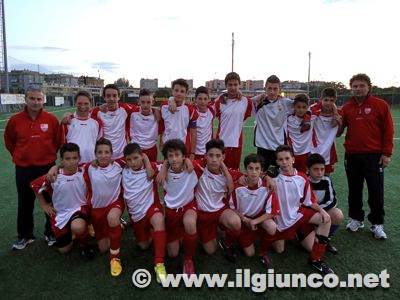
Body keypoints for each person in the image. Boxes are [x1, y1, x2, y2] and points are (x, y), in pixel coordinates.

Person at [261, 145, 334, 274]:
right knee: (279, 249)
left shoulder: (302, 178)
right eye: (280, 159)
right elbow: (255, 174)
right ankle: (291, 236)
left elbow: (310, 201)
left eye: (287, 158)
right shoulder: (273, 177)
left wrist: (322, 211)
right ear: (277, 161)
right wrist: (266, 177)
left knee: (325, 219)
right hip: (280, 222)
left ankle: (315, 260)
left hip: (298, 216)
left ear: (293, 160)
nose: (284, 162)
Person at [338, 73, 394, 239]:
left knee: (375, 190)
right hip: (353, 155)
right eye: (355, 86)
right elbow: (339, 131)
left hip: (374, 156)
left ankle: (377, 224)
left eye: (361, 85)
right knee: (354, 189)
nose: (358, 89)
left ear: (369, 86)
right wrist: (338, 122)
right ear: (351, 88)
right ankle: (356, 218)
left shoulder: (380, 105)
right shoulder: (347, 107)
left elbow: (388, 131)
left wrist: (386, 153)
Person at [4, 85, 60, 250]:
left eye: (39, 99)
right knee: (25, 203)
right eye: (32, 98)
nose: (36, 102)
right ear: (26, 99)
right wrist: (21, 155)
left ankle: (50, 233)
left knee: (50, 201)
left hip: (46, 167)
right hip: (24, 169)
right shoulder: (15, 120)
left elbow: (57, 142)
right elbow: (10, 142)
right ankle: (25, 236)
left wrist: (48, 157)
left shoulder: (51, 119)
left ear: (43, 100)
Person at [31, 143, 94, 258]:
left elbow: (98, 162)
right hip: (61, 214)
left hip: (80, 209)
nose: (71, 161)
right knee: (64, 250)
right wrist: (44, 205)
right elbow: (35, 186)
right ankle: (74, 234)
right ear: (62, 160)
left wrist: (55, 166)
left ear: (79, 158)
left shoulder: (84, 170)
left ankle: (85, 245)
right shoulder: (54, 176)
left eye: (75, 158)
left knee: (78, 226)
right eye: (67, 158)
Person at [222, 154, 279, 269]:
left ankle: (263, 253)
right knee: (250, 253)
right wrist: (245, 220)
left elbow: (272, 212)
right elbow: (232, 208)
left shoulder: (267, 186)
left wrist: (254, 221)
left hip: (258, 219)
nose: (253, 172)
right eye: (250, 168)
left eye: (257, 169)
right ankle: (229, 241)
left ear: (262, 171)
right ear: (245, 170)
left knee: (272, 227)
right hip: (243, 220)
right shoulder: (238, 187)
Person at [122, 143, 167, 283]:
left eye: (136, 158)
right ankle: (156, 234)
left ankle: (159, 264)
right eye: (129, 160)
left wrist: (147, 160)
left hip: (151, 208)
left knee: (158, 220)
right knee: (143, 245)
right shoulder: (122, 169)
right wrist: (57, 166)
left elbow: (169, 161)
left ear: (142, 156)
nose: (133, 162)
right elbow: (104, 160)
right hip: (136, 216)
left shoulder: (151, 167)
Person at [192, 139, 241, 255]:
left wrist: (266, 178)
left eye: (218, 156)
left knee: (236, 223)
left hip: (220, 211)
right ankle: (210, 230)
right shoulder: (198, 167)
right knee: (210, 251)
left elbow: (249, 177)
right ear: (205, 156)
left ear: (223, 157)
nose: (214, 159)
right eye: (211, 155)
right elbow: (179, 161)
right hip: (203, 215)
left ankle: (227, 242)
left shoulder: (228, 173)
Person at [84, 138, 125, 276]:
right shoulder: (89, 167)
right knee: (103, 248)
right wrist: (55, 167)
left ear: (112, 153)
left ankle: (115, 259)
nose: (103, 155)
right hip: (97, 210)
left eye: (107, 152)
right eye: (100, 152)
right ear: (95, 154)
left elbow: (140, 156)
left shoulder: (119, 164)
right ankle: (118, 227)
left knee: (113, 218)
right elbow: (67, 166)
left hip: (115, 204)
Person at [160, 139, 198, 274]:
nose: (174, 159)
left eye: (177, 155)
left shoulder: (192, 167)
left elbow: (211, 163)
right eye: (170, 156)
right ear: (166, 158)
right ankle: (180, 234)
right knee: (173, 254)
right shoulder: (161, 170)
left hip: (188, 207)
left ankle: (188, 260)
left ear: (183, 156)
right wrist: (164, 166)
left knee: (190, 223)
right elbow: (140, 160)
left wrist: (188, 159)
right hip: (171, 212)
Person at [252, 75, 293, 172]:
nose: (272, 92)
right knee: (261, 175)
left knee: (279, 175)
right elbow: (241, 100)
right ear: (265, 88)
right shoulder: (258, 101)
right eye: (269, 88)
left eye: (275, 89)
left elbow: (304, 104)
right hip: (262, 146)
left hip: (279, 146)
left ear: (280, 89)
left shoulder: (286, 103)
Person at [305, 153, 344, 254]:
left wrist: (320, 210)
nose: (320, 172)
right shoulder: (304, 181)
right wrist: (316, 211)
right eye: (316, 169)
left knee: (337, 214)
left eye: (322, 169)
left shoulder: (326, 180)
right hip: (308, 214)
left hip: (321, 211)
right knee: (310, 247)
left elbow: (332, 200)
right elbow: (303, 202)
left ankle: (325, 239)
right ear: (308, 169)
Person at [214, 72, 253, 169]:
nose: (233, 87)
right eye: (230, 85)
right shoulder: (219, 102)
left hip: (236, 143)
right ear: (226, 85)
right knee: (219, 171)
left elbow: (261, 99)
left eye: (235, 84)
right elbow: (203, 107)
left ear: (239, 85)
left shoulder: (246, 101)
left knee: (234, 172)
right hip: (221, 143)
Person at [59, 90, 103, 163]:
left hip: (92, 164)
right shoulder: (67, 121)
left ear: (91, 104)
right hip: (72, 165)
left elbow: (99, 143)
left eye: (86, 103)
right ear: (75, 103)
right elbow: (62, 145)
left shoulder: (97, 122)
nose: (82, 106)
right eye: (79, 103)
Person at [91, 84, 131, 159]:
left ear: (119, 97)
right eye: (108, 96)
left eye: (114, 95)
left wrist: (155, 110)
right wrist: (68, 115)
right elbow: (83, 113)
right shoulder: (97, 111)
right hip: (104, 156)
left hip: (122, 155)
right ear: (104, 98)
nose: (111, 99)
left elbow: (143, 108)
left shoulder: (125, 109)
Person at [160, 79, 198, 157]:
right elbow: (162, 126)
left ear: (186, 94)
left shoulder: (190, 110)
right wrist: (171, 99)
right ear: (172, 91)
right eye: (176, 90)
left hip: (183, 146)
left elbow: (193, 133)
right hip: (167, 146)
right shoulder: (164, 106)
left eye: (182, 91)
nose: (179, 93)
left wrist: (192, 152)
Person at [310, 88, 342, 174]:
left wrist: (339, 122)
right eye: (326, 100)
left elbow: (338, 133)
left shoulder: (339, 113)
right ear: (321, 99)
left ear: (335, 100)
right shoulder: (313, 109)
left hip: (329, 151)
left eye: (331, 100)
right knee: (311, 178)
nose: (328, 103)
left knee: (326, 178)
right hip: (313, 150)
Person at [127, 89, 161, 162]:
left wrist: (171, 99)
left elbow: (168, 106)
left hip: (151, 149)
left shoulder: (158, 114)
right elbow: (117, 105)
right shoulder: (132, 112)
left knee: (151, 172)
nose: (145, 105)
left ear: (153, 102)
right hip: (135, 149)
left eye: (148, 102)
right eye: (143, 102)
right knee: (135, 172)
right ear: (138, 102)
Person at [285, 93, 313, 173]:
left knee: (304, 177)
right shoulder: (287, 118)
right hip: (291, 153)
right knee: (291, 175)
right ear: (294, 107)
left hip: (306, 153)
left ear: (307, 107)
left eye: (304, 107)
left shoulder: (312, 118)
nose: (301, 110)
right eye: (298, 107)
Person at [193, 86, 214, 160]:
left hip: (207, 152)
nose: (202, 101)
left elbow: (222, 98)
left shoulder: (212, 110)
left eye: (205, 99)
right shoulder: (191, 111)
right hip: (194, 152)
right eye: (200, 99)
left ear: (208, 100)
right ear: (195, 99)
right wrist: (171, 99)